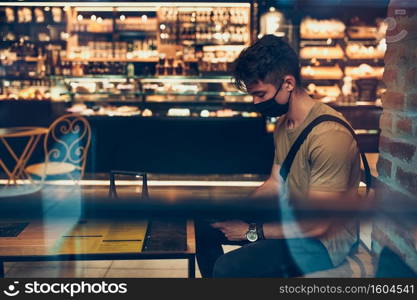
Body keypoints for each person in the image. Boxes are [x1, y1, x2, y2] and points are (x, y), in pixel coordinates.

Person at [195, 34, 365, 278]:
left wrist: (251, 230)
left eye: (261, 95)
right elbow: (276, 183)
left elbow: (318, 225)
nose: (255, 102)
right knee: (203, 225)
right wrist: (238, 209)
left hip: (324, 243)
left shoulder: (330, 136)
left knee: (228, 268)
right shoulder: (285, 122)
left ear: (288, 83)